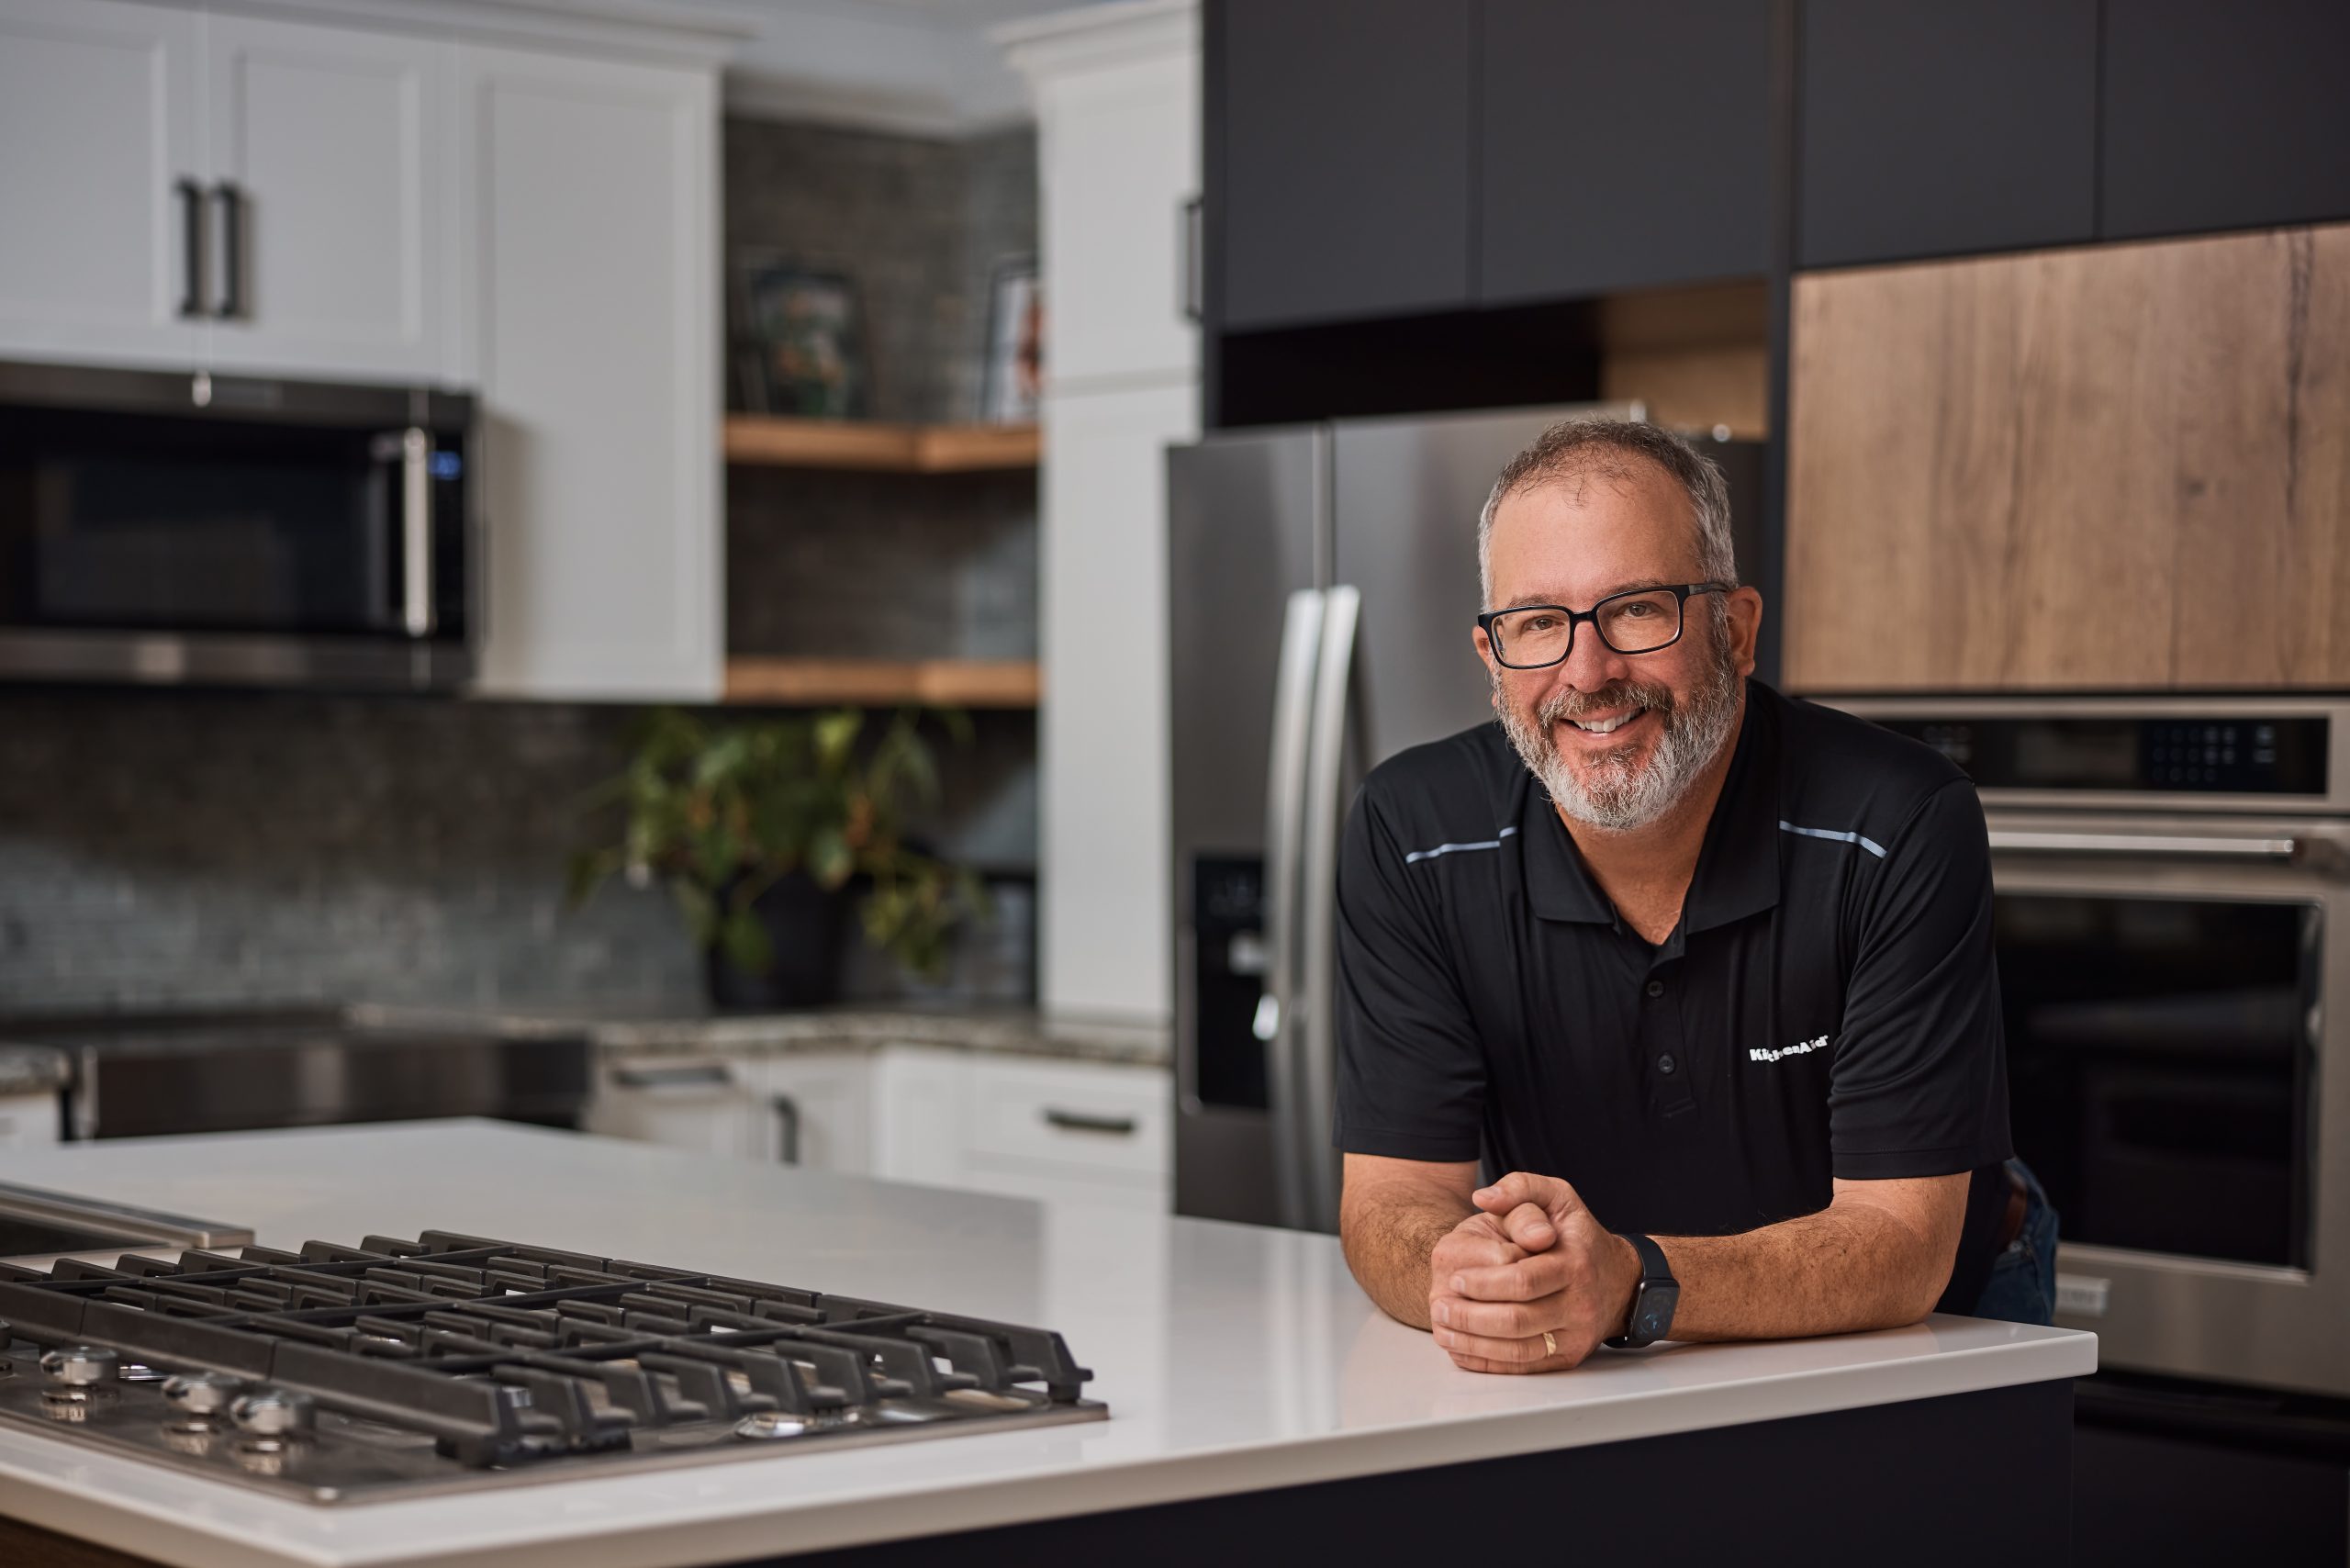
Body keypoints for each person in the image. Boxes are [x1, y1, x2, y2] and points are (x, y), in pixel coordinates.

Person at [1333, 418, 2055, 1374]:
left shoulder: (1900, 820)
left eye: (1636, 608)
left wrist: (1629, 1284)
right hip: (1608, 1334)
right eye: (1538, 623)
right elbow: (1389, 1198)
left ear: (1737, 629)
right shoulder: (1410, 830)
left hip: (1925, 1329)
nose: (1586, 675)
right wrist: (1468, 1269)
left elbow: (1901, 1244)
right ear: (1489, 657)